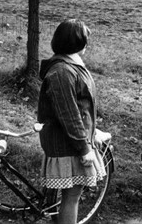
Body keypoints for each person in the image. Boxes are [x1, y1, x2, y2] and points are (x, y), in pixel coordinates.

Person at [37, 19, 108, 224]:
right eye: (85, 39)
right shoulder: (62, 72)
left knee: (70, 196)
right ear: (76, 42)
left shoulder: (69, 64)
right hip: (68, 144)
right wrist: (84, 148)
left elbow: (80, 107)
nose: (87, 44)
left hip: (73, 140)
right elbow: (69, 114)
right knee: (71, 197)